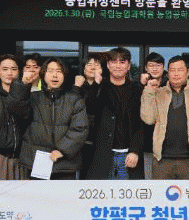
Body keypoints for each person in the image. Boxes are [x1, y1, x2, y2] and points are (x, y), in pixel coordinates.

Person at [141, 56, 189, 179]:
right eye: (172, 70)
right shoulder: (159, 92)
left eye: (180, 70)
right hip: (162, 160)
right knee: (160, 192)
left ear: (188, 72)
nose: (176, 74)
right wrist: (149, 92)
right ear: (167, 73)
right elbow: (148, 119)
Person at [19, 58, 89, 180]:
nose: (55, 75)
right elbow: (17, 109)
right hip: (39, 161)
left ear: (65, 75)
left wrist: (62, 150)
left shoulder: (74, 99)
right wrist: (22, 85)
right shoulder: (33, 98)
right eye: (50, 71)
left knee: (64, 192)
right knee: (39, 192)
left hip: (65, 163)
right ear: (43, 74)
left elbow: (80, 128)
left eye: (59, 71)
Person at [85, 47, 145, 179]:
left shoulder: (137, 91)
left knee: (129, 192)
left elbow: (140, 124)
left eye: (122, 62)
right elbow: (90, 108)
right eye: (113, 62)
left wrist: (135, 151)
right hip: (104, 154)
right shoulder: (100, 88)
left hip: (129, 155)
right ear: (108, 65)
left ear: (129, 66)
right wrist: (96, 83)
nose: (118, 66)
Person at [0, 54, 31, 180]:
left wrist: (20, 89)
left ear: (19, 72)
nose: (10, 73)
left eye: (14, 69)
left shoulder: (28, 95)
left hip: (22, 156)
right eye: (5, 69)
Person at [74, 54, 104, 179]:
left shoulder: (106, 85)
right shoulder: (77, 86)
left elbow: (94, 107)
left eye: (96, 65)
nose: (93, 67)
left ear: (102, 69)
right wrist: (77, 87)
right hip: (82, 139)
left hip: (101, 138)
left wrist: (97, 83)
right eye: (89, 64)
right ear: (83, 69)